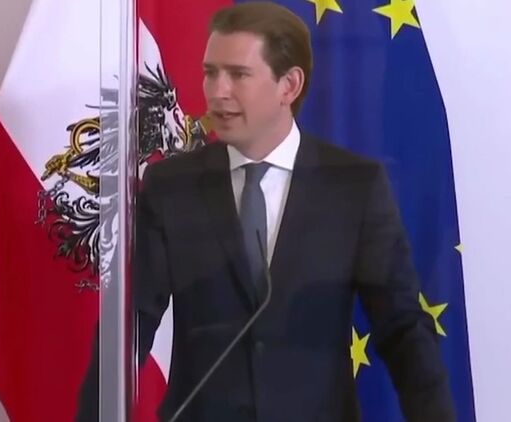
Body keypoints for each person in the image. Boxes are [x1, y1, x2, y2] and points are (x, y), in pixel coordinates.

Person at [77, 2, 455, 421]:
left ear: (288, 85)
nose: (217, 91)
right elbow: (130, 326)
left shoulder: (355, 187)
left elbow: (403, 329)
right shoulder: (171, 187)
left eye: (238, 74)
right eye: (210, 72)